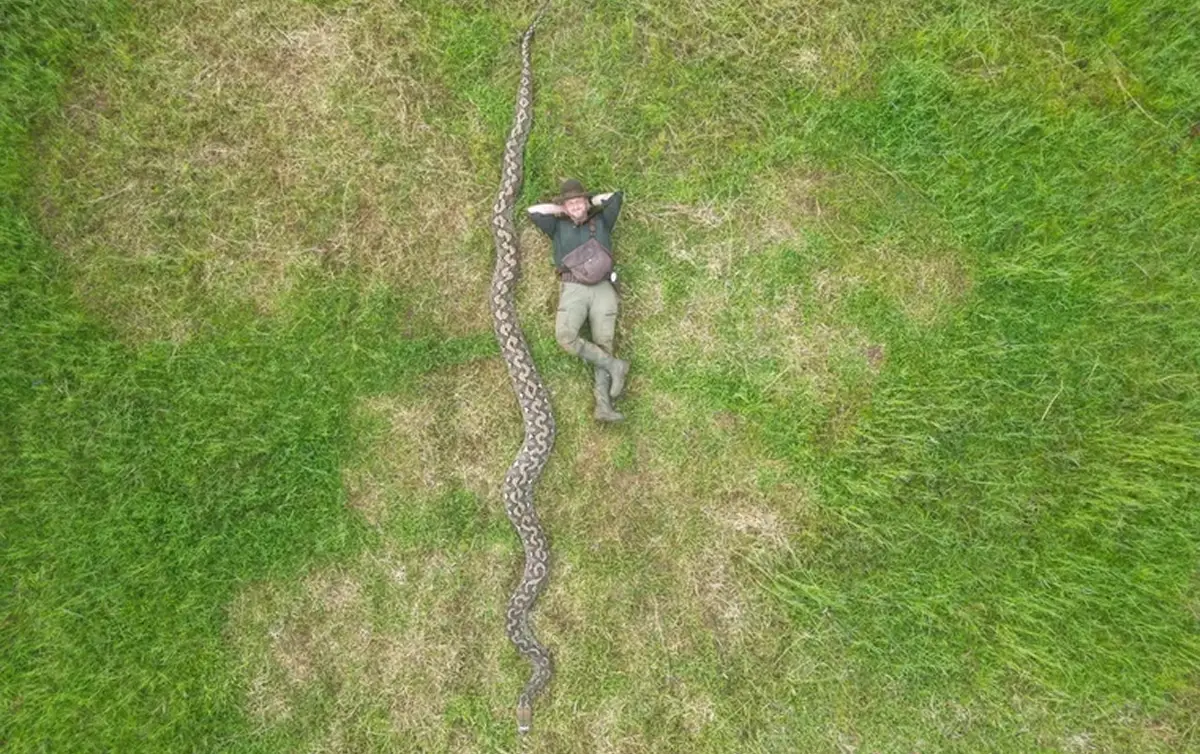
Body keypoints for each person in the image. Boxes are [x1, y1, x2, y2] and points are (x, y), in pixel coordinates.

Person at [527, 178, 630, 422]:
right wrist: (562, 208)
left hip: (603, 287)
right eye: (570, 202)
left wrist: (591, 203)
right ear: (564, 206)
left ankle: (603, 406)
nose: (575, 205)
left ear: (586, 201)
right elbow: (533, 211)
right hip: (573, 287)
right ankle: (614, 366)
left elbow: (615, 196)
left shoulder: (602, 220)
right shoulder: (557, 226)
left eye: (579, 201)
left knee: (604, 343)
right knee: (565, 336)